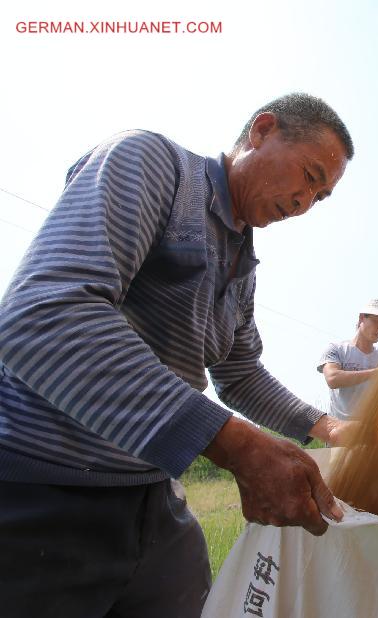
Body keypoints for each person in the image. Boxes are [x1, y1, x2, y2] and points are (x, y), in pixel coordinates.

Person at [0, 93, 355, 617]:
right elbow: (46, 315)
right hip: (45, 482)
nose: (304, 202)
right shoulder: (155, 165)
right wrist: (238, 446)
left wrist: (330, 428)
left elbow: (239, 375)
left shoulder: (242, 264)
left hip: (149, 491)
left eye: (319, 197)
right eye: (307, 175)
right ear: (261, 130)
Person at [318, 299, 378, 421]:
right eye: (377, 322)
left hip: (371, 434)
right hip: (339, 433)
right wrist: (377, 372)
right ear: (362, 318)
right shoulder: (337, 350)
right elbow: (333, 379)